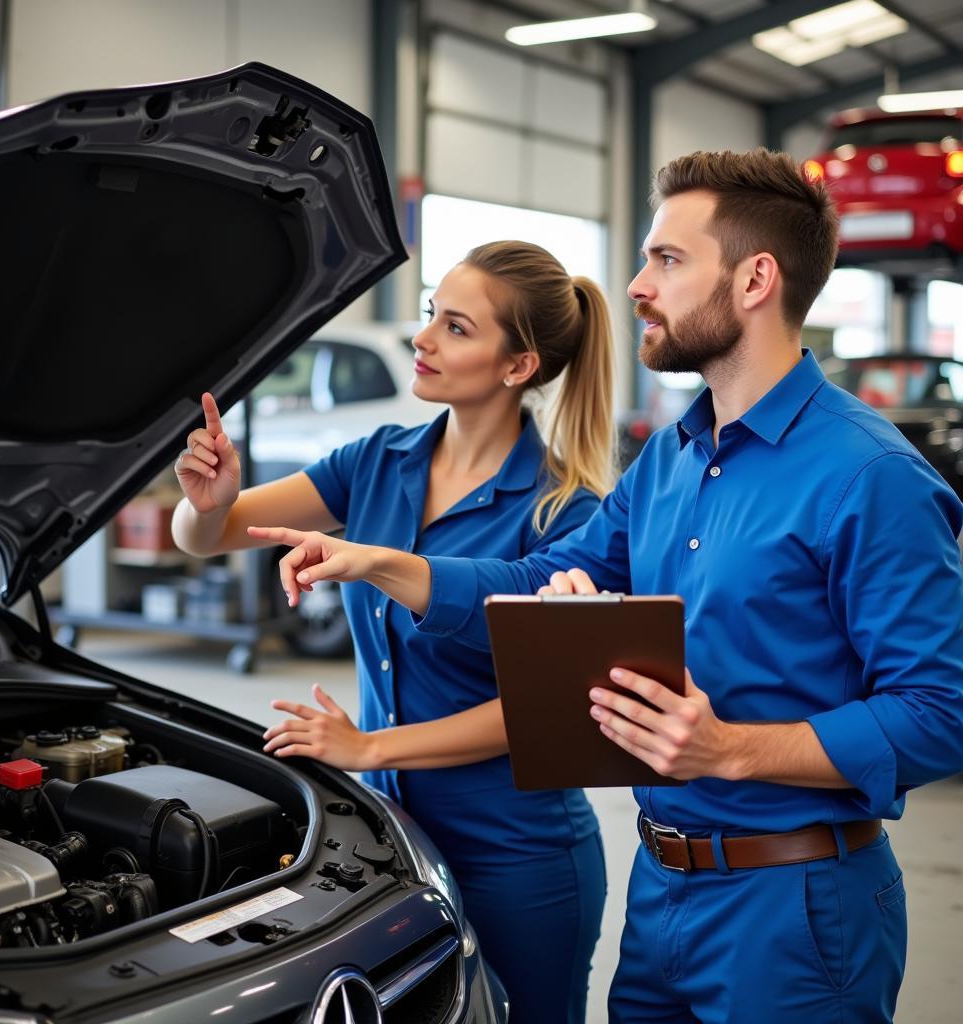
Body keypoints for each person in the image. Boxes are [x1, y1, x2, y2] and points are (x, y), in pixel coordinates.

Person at [262, 149, 963, 1024]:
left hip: (797, 908)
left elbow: (941, 710)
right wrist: (377, 561)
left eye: (667, 261)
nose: (636, 286)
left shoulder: (870, 476)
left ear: (754, 280)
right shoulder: (669, 460)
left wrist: (733, 750)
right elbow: (542, 579)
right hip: (662, 889)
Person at [171, 240, 617, 1023]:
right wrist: (207, 500)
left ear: (517, 367)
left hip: (520, 856)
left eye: (455, 326)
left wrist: (372, 749)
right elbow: (210, 536)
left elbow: (543, 711)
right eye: (428, 316)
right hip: (392, 842)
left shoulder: (564, 513)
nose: (424, 339)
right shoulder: (377, 461)